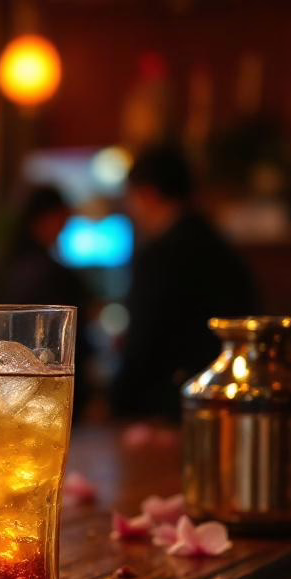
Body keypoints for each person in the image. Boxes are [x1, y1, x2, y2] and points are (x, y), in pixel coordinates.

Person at [111, 144, 256, 420]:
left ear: (148, 195)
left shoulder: (159, 256)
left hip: (168, 408)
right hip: (228, 399)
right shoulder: (221, 248)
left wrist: (116, 400)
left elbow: (143, 342)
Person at [0, 185, 94, 417]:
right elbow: (71, 338)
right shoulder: (51, 273)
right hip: (48, 384)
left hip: (6, 385)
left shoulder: (4, 268)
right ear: (47, 218)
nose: (64, 228)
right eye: (62, 220)